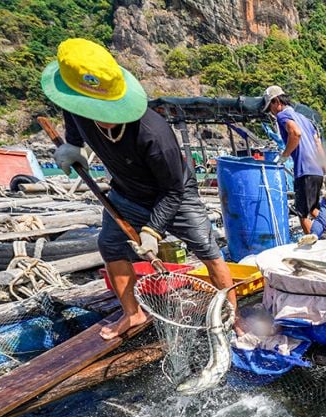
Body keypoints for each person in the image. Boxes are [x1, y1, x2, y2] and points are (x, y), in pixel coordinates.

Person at [42, 38, 235, 340]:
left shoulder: (154, 134)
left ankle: (232, 318)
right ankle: (133, 314)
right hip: (126, 193)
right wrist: (73, 145)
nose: (102, 120)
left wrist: (152, 231)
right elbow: (70, 114)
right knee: (109, 245)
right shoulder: (76, 105)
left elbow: (172, 192)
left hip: (175, 195)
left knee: (209, 251)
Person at [262, 85, 325, 233]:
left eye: (270, 107)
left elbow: (295, 133)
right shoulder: (305, 118)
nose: (270, 112)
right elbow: (317, 143)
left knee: (303, 213)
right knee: (314, 208)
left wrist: (284, 156)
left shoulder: (282, 115)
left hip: (304, 170)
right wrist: (323, 168)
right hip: (316, 170)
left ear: (276, 101)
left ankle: (313, 245)